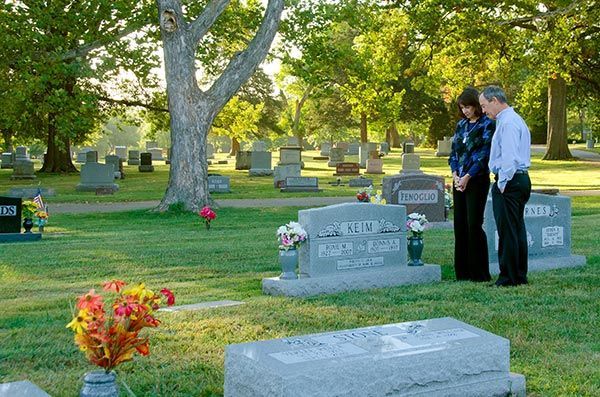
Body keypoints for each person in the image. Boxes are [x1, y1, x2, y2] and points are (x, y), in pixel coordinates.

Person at [479, 86, 531, 286]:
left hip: (510, 180)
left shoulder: (508, 123)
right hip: (520, 179)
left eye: (484, 106)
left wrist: (502, 181)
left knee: (507, 230)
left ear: (494, 100)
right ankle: (518, 274)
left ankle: (508, 276)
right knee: (516, 228)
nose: (484, 111)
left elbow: (509, 156)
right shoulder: (514, 119)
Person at [449, 87, 495, 282]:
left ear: (476, 105)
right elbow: (454, 153)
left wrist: (468, 176)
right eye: (462, 108)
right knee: (460, 225)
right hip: (459, 180)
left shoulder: (487, 124)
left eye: (468, 107)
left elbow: (484, 155)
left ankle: (479, 273)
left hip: (476, 180)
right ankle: (462, 272)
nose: (466, 111)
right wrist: (455, 175)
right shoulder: (461, 125)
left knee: (473, 224)